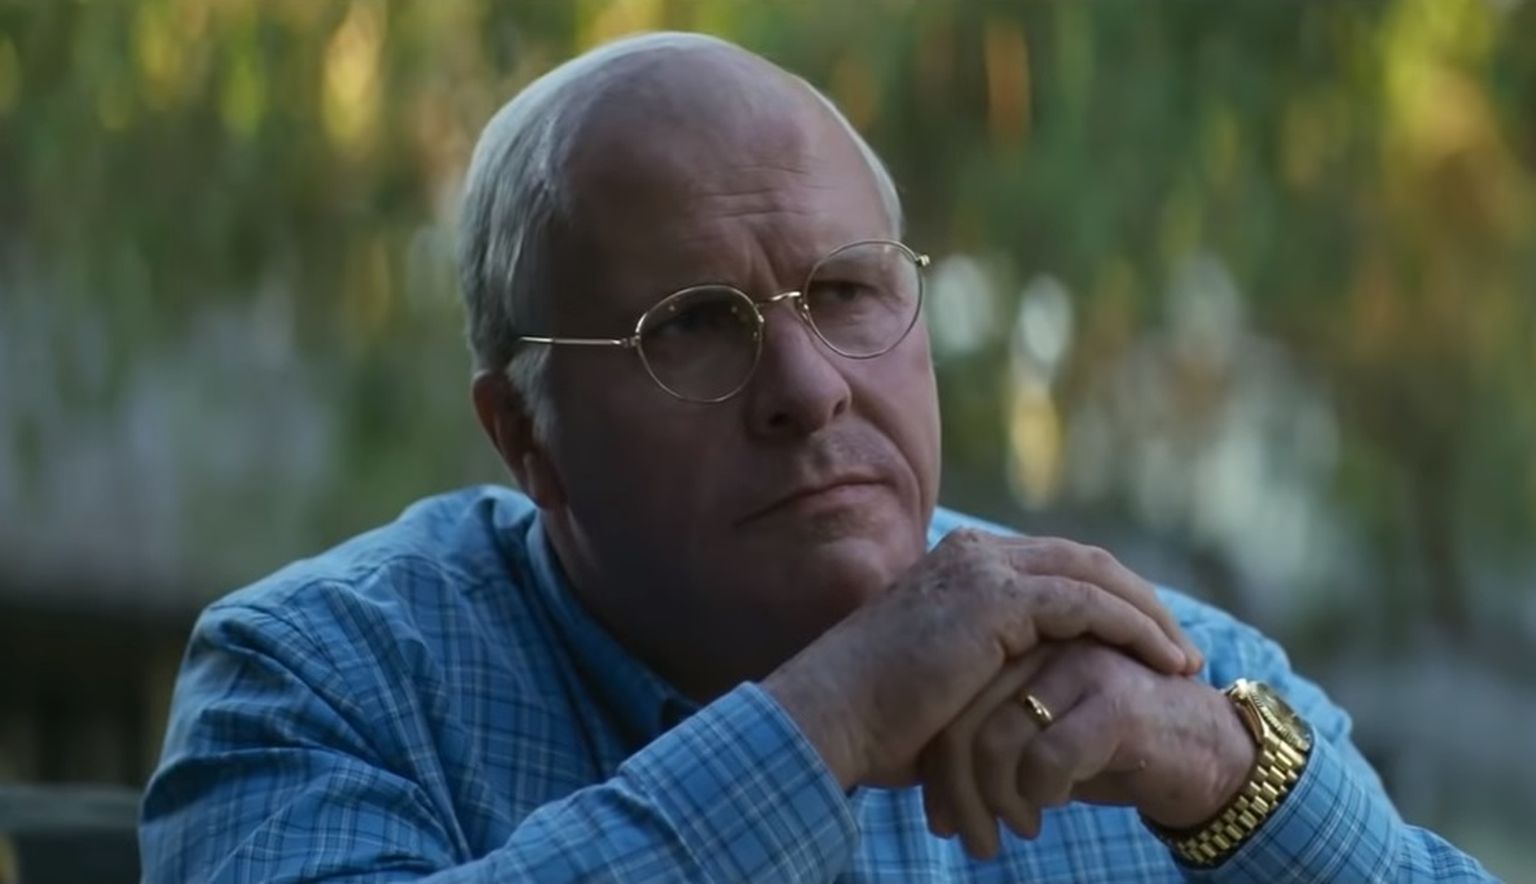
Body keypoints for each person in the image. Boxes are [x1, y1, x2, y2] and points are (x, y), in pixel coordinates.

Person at [139, 32, 1493, 883]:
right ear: (526, 436)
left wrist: (1228, 778)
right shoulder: (321, 680)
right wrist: (829, 718)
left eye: (846, 292)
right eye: (693, 325)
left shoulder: (1148, 669)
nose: (807, 388)